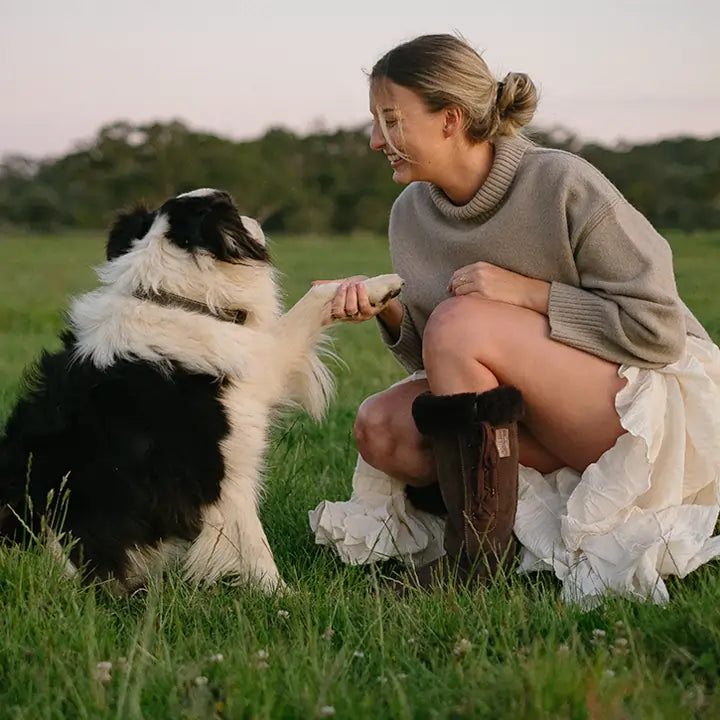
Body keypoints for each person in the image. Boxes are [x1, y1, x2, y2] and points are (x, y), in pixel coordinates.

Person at [309, 33, 720, 605]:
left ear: (450, 119)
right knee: (380, 427)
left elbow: (659, 329)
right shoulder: (410, 213)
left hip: (640, 406)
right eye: (375, 121)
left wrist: (531, 293)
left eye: (392, 120)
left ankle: (476, 559)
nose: (378, 140)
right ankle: (495, 516)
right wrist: (390, 309)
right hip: (525, 408)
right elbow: (448, 356)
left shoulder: (561, 183)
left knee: (464, 323)